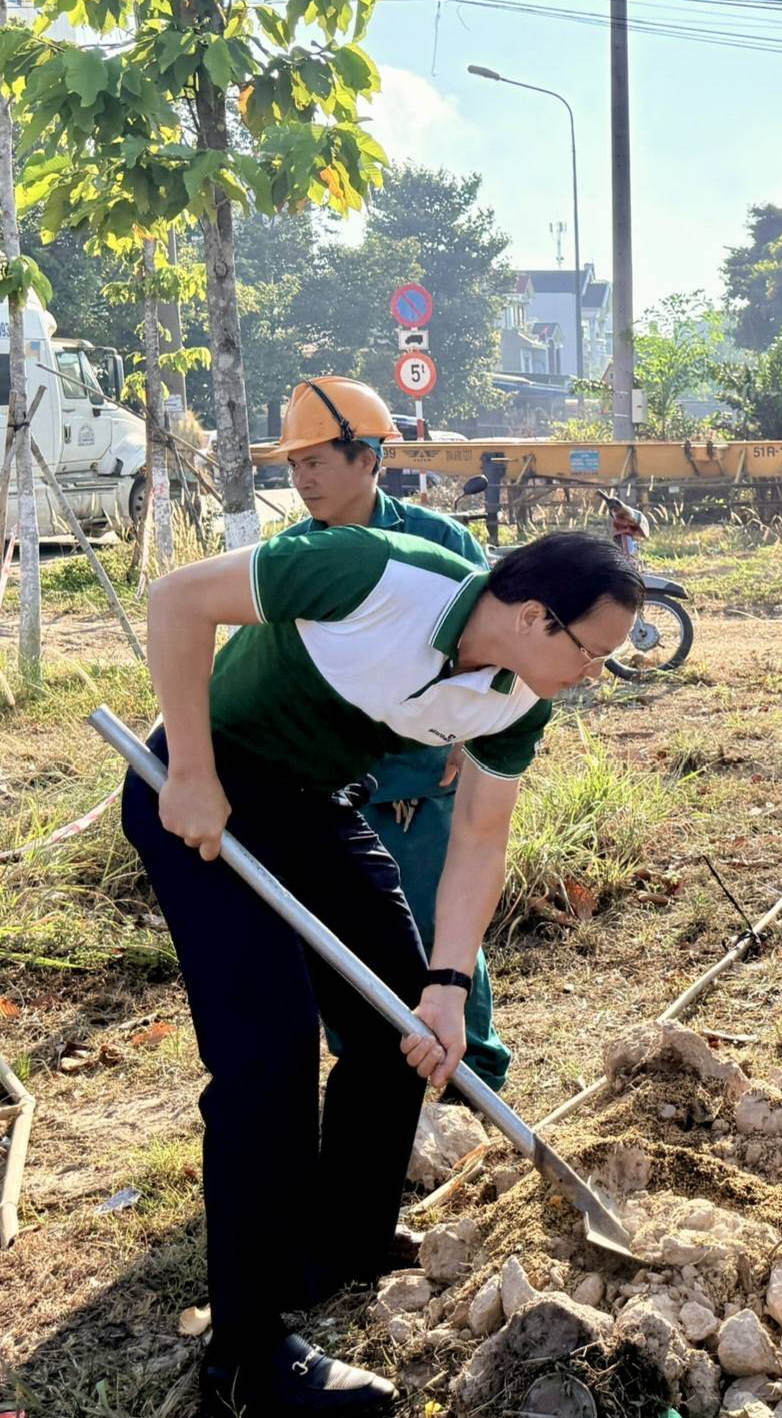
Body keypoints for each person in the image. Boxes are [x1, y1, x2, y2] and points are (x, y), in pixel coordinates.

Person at [122, 524, 641, 1414]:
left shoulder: (518, 698)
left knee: (396, 1022)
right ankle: (244, 1358)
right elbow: (177, 599)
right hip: (198, 784)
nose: (594, 674)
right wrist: (195, 774)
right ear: (533, 617)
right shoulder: (375, 573)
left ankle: (342, 1242)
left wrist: (446, 987)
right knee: (267, 1055)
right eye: (594, 653)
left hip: (309, 804)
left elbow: (480, 835)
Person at [272, 376, 511, 1092]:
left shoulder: (439, 541)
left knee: (446, 942)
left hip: (429, 785)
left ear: (369, 457)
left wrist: (470, 747)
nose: (303, 478)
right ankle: (374, 1077)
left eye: (317, 461)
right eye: (294, 465)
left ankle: (475, 1084)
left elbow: (497, 652)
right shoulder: (289, 556)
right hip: (333, 790)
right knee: (344, 947)